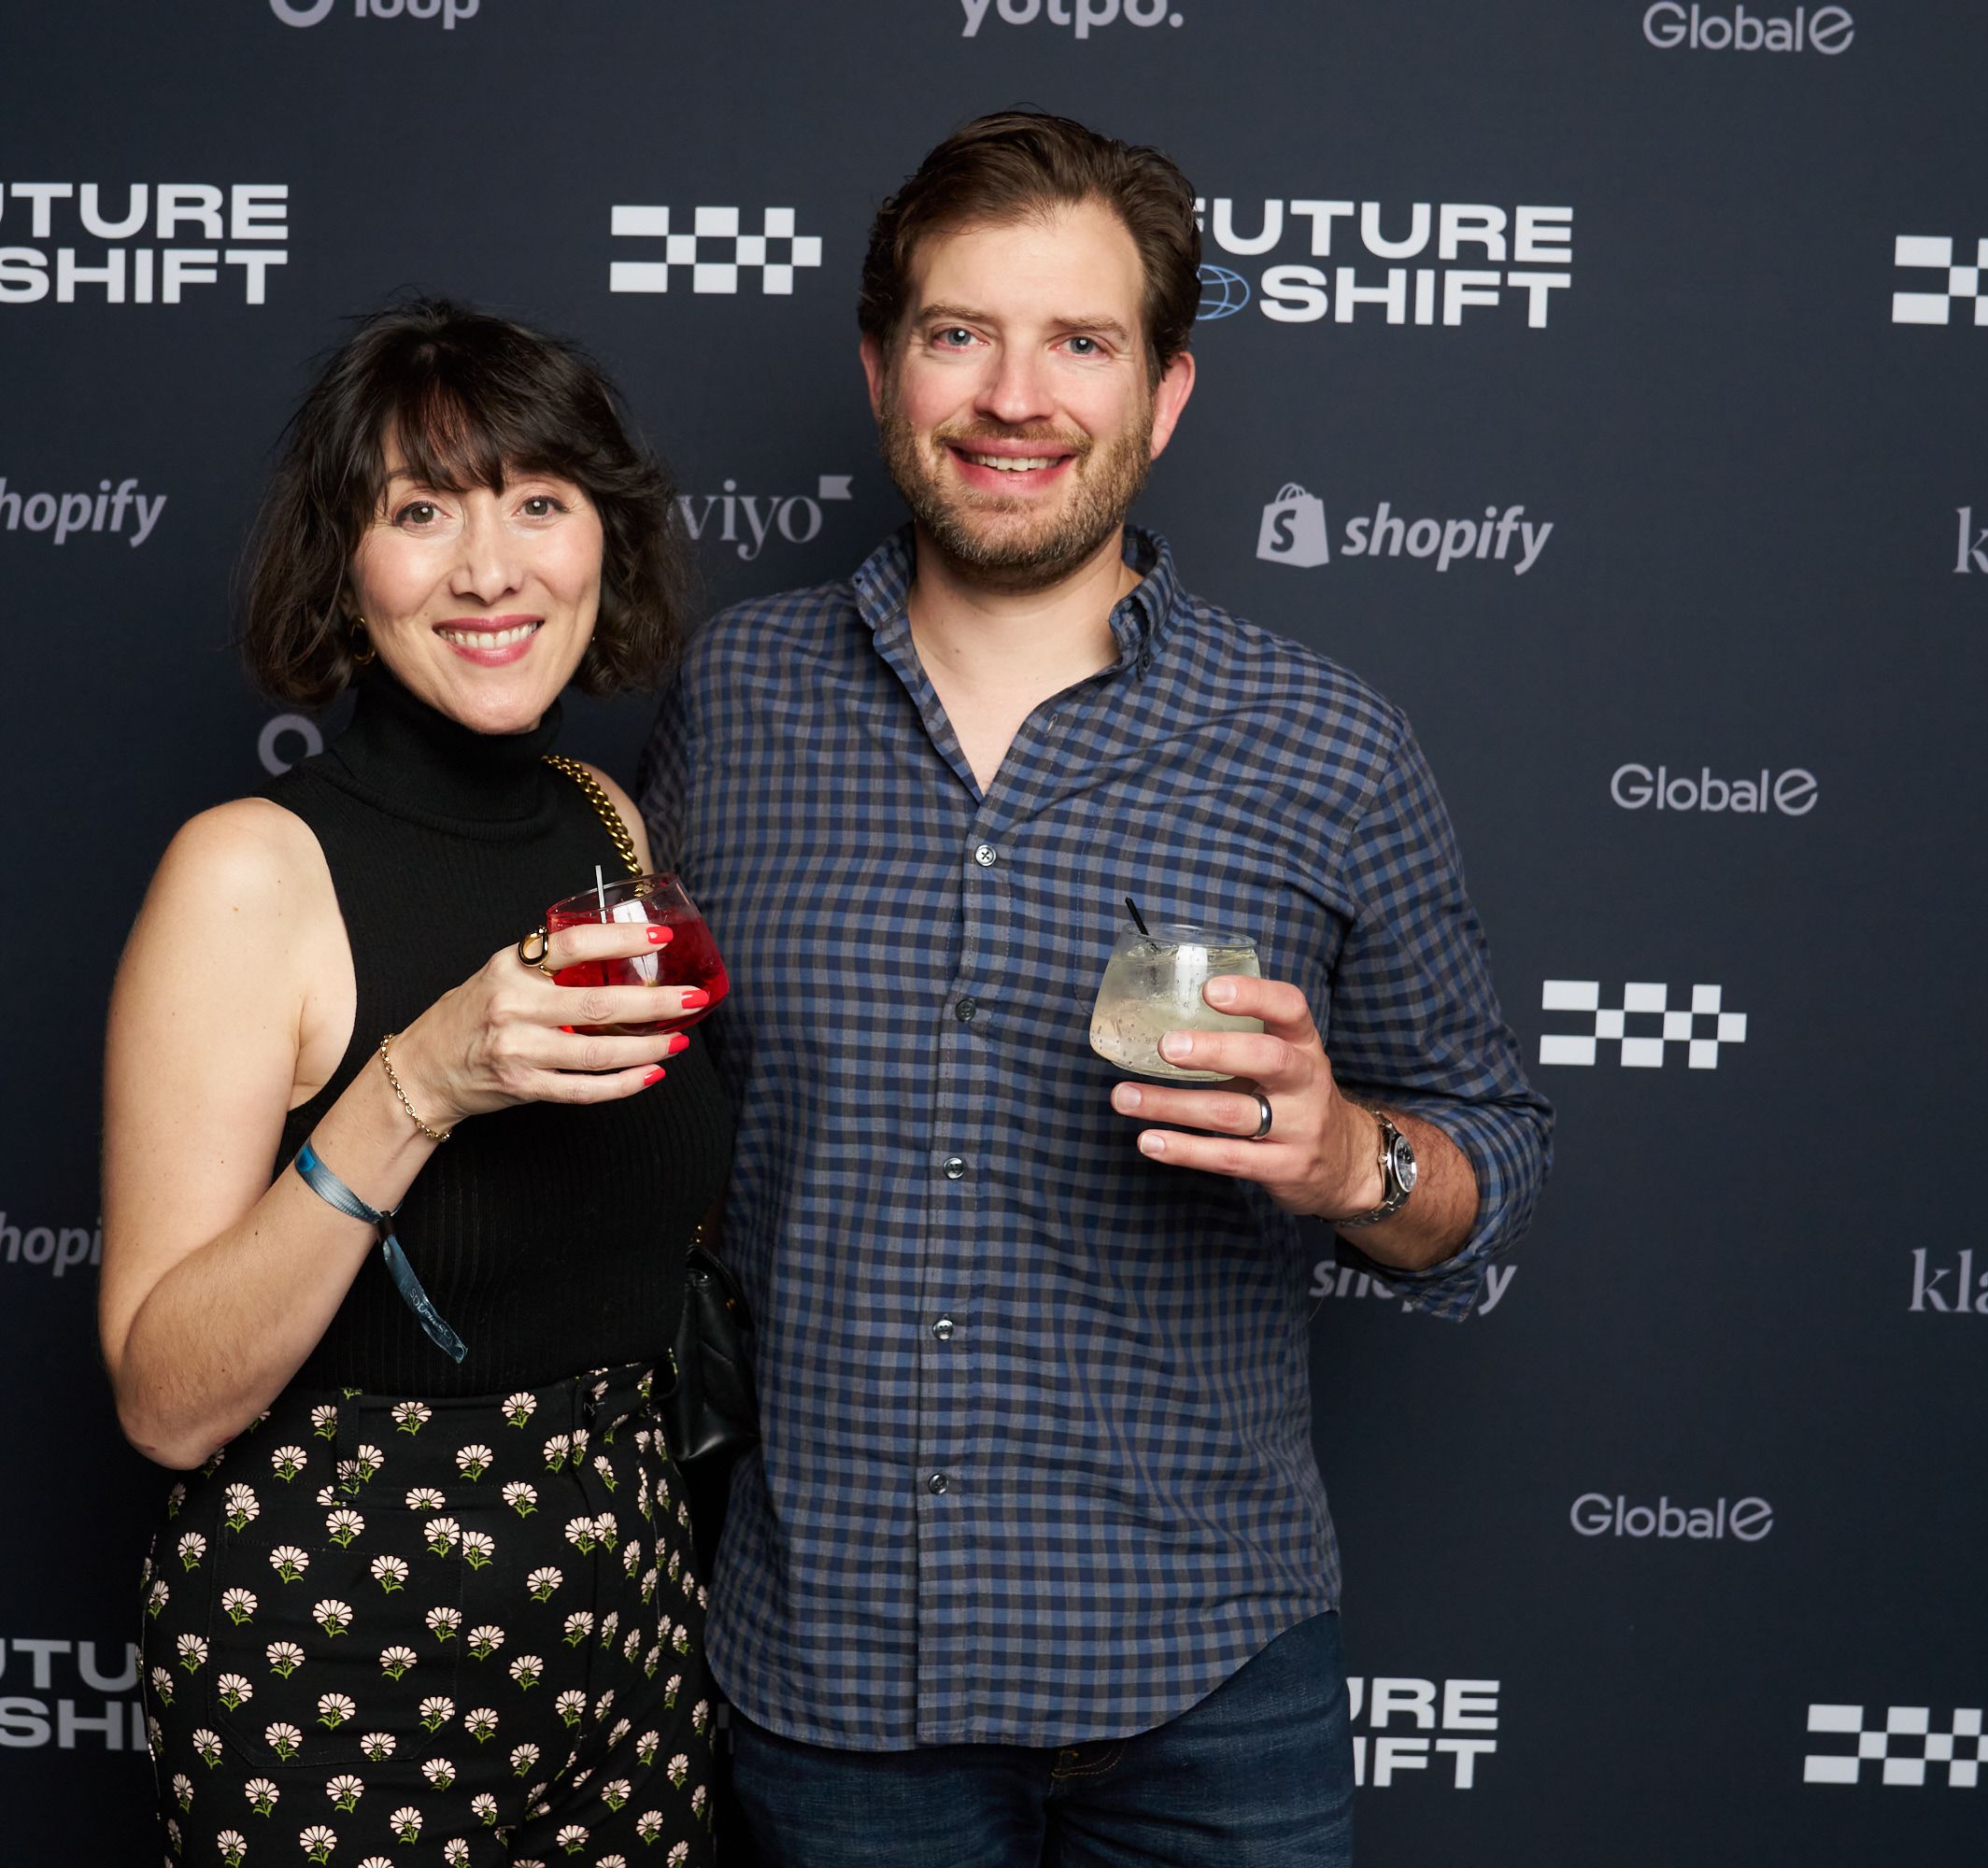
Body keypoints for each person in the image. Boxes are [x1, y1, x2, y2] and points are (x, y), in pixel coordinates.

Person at [641, 112, 1555, 1867]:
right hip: (831, 1686)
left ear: (1166, 393)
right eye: (958, 333)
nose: (1014, 396)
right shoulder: (731, 703)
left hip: (1209, 1687)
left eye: (1081, 340)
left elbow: (1490, 1161)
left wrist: (1350, 1154)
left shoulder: (1326, 743)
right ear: (881, 367)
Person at [101, 301, 731, 1868]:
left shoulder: (606, 827)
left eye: (539, 501)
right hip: (336, 1634)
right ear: (343, 563)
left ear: (606, 537)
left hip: (633, 1619)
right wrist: (422, 1083)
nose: (490, 569)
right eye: (420, 511)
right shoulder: (250, 873)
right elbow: (166, 1403)